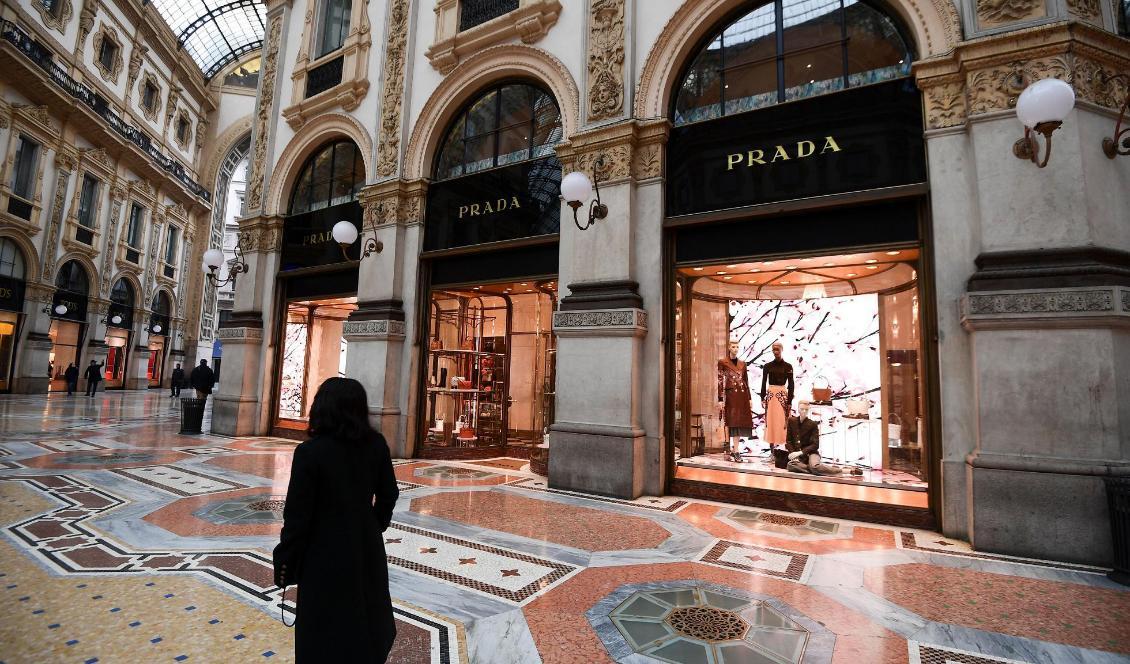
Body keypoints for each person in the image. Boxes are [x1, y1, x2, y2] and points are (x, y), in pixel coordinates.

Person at [274, 377, 398, 662]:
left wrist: (286, 557)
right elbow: (389, 494)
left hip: (323, 551)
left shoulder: (310, 453)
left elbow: (297, 515)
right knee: (365, 614)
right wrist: (373, 524)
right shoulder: (375, 444)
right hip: (364, 547)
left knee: (324, 628)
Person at [785, 401, 841, 476]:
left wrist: (800, 452)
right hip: (798, 455)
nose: (804, 411)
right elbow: (788, 441)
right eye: (802, 409)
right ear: (798, 409)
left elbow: (815, 445)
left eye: (806, 409)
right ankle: (817, 470)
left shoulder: (813, 424)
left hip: (812, 453)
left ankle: (842, 471)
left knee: (814, 466)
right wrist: (792, 453)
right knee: (790, 465)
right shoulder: (791, 421)